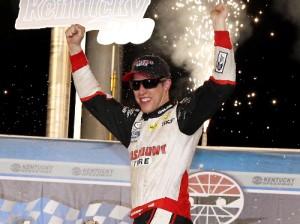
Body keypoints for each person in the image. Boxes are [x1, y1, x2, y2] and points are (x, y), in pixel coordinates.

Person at [65, 3, 236, 224]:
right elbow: (92, 98)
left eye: (149, 83)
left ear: (166, 85)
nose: (142, 91)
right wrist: (75, 49)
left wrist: (219, 26)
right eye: (136, 85)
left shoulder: (182, 115)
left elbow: (223, 83)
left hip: (167, 213)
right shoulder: (133, 123)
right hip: (143, 215)